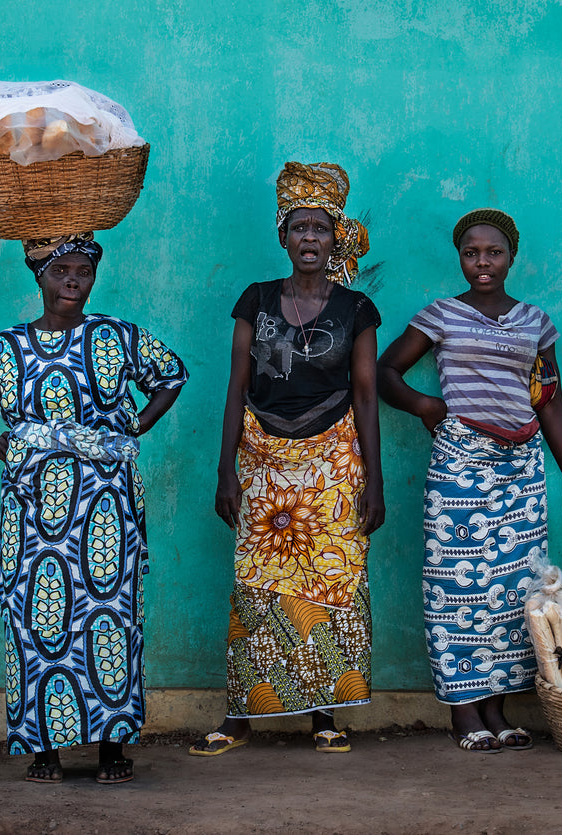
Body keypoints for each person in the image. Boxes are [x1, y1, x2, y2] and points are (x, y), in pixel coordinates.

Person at [0, 232, 188, 784]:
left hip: (105, 500)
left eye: (83, 271)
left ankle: (111, 749)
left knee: (110, 617)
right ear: (40, 277)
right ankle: (44, 749)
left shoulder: (118, 336)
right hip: (31, 507)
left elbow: (171, 376)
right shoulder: (3, 346)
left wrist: (139, 425)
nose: (73, 280)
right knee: (35, 617)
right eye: (61, 271)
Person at [189, 161, 383, 757]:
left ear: (335, 238)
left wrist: (375, 482)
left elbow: (367, 395)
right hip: (260, 461)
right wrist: (226, 470)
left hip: (332, 463)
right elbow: (235, 385)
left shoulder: (357, 310)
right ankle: (240, 716)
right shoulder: (256, 300)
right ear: (283, 235)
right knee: (254, 585)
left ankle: (324, 713)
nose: (309, 240)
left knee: (327, 578)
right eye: (299, 228)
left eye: (321, 229)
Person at [378, 208, 562, 753]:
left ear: (511, 256)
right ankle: (464, 712)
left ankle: (497, 709)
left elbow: (550, 399)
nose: (482, 263)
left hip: (521, 467)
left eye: (493, 252)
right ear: (461, 258)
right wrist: (428, 405)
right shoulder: (442, 315)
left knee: (513, 590)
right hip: (461, 462)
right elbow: (385, 372)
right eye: (471, 253)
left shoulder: (535, 323)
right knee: (456, 586)